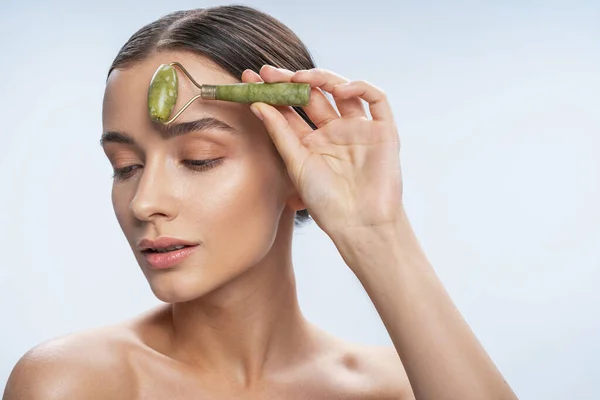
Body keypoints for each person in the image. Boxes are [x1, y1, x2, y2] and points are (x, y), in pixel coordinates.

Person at [3, 5, 517, 399]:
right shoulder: (73, 384)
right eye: (125, 167)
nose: (145, 203)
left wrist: (377, 231)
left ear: (296, 172)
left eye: (199, 159)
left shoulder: (399, 388)